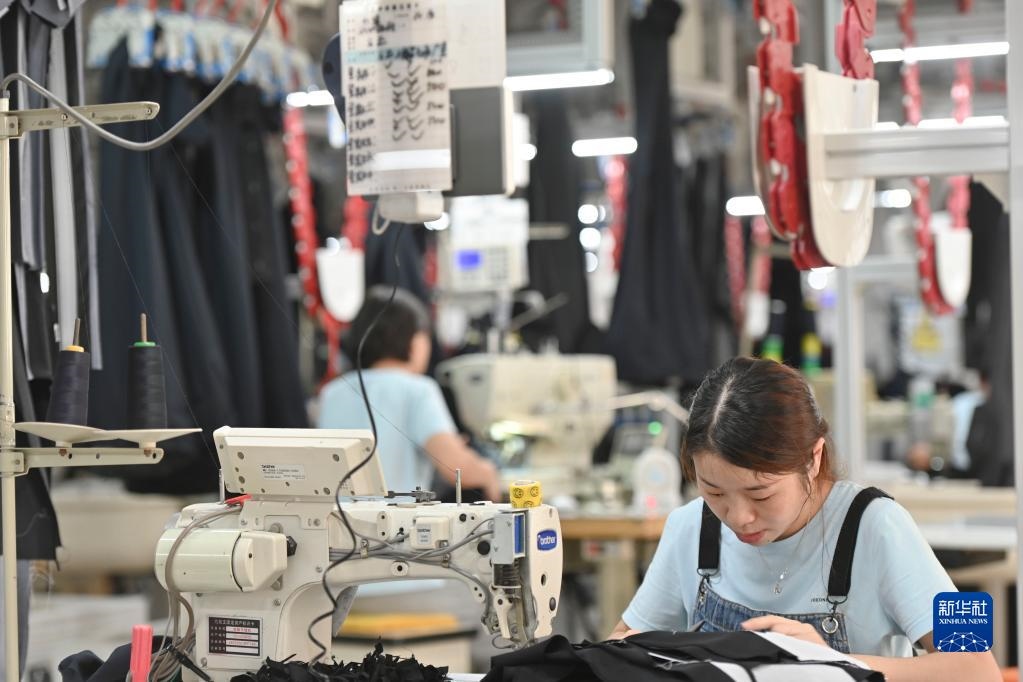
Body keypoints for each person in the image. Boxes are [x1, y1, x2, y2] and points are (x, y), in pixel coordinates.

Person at [609, 357, 1000, 682]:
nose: (739, 517)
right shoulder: (690, 527)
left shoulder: (881, 525)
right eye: (714, 492)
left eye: (760, 494)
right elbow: (621, 646)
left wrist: (833, 665)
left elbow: (979, 668)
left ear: (813, 458)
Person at [318, 286, 501, 501]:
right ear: (415, 341)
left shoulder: (332, 392)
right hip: (395, 521)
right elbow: (457, 469)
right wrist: (488, 472)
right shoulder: (419, 390)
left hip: (336, 519)